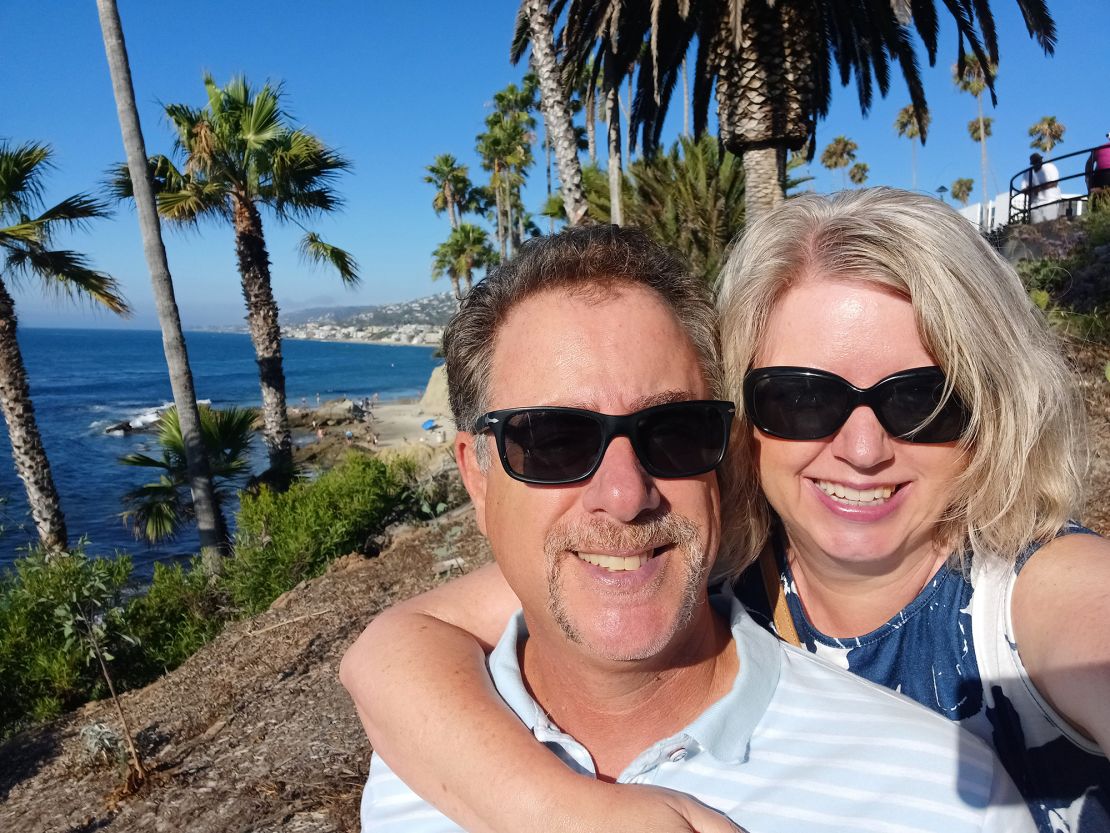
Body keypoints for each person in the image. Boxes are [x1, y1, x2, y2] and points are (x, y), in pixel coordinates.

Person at [342, 193, 1110, 832]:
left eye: (921, 399)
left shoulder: (1036, 597)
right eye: (805, 397)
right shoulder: (712, 560)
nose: (864, 447)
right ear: (743, 422)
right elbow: (391, 649)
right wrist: (566, 811)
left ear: (992, 404)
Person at [1022, 152, 1063, 222]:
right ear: (1032, 164)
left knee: (1050, 225)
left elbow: (1054, 183)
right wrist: (1032, 190)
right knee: (1036, 228)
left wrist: (1037, 188)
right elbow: (1024, 189)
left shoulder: (1050, 167)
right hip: (1034, 204)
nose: (1038, 163)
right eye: (1035, 162)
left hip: (1050, 200)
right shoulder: (1027, 173)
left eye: (1039, 161)